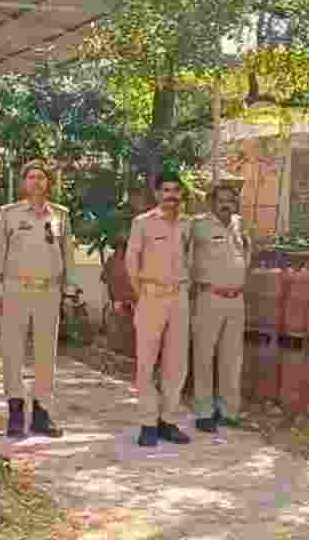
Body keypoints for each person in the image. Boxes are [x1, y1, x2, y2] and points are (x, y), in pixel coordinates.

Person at [0, 161, 77, 438]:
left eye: (42, 177)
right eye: (32, 177)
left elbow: (68, 257)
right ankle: (15, 411)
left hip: (48, 292)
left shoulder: (60, 215)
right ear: (24, 182)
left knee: (45, 355)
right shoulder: (9, 214)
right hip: (16, 290)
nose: (37, 182)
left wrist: (69, 291)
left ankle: (41, 413)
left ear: (48, 183)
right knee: (13, 352)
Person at [122, 170, 193, 447]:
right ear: (157, 194)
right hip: (151, 296)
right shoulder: (143, 223)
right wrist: (143, 295)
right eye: (166, 190)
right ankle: (147, 423)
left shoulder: (188, 225)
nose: (171, 195)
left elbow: (194, 260)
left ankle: (168, 421)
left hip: (180, 297)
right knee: (146, 362)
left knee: (176, 363)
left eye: (176, 190)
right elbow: (131, 261)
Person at [190, 183, 250, 433]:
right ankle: (204, 412)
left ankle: (229, 411)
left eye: (230, 200)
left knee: (232, 358)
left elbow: (246, 251)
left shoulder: (238, 224)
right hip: (209, 297)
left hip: (236, 300)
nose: (226, 205)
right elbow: (186, 255)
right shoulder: (199, 225)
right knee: (204, 356)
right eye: (221, 200)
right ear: (211, 203)